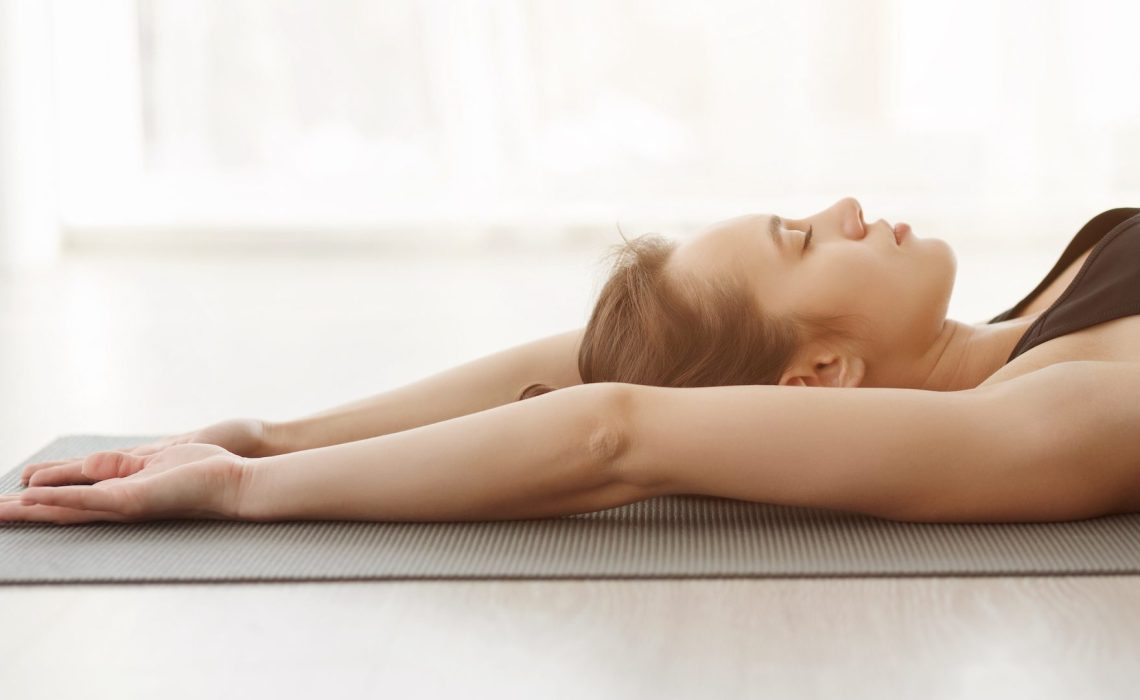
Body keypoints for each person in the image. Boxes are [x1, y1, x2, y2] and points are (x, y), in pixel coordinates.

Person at [5, 198, 1140, 525]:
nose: (844, 206)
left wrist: (271, 432)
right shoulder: (1061, 414)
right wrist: (249, 490)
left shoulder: (1053, 302)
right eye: (802, 238)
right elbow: (614, 428)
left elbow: (586, 370)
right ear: (820, 380)